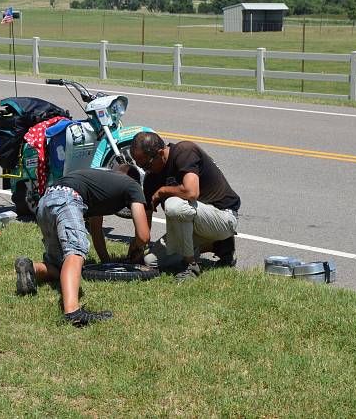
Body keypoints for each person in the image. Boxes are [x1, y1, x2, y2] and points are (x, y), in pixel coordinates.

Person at [14, 168, 150, 326]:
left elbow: (96, 230)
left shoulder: (100, 182)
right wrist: (136, 251)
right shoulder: (132, 185)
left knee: (60, 267)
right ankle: (73, 312)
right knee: (75, 251)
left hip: (45, 201)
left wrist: (106, 263)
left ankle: (31, 268)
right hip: (67, 199)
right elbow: (144, 235)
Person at [129, 132, 240, 281]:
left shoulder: (184, 151)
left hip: (223, 217)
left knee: (174, 205)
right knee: (150, 261)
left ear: (161, 153)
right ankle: (220, 246)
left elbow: (191, 192)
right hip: (194, 224)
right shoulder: (151, 178)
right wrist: (139, 245)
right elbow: (146, 221)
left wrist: (163, 191)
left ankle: (190, 265)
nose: (145, 170)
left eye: (146, 164)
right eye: (139, 165)